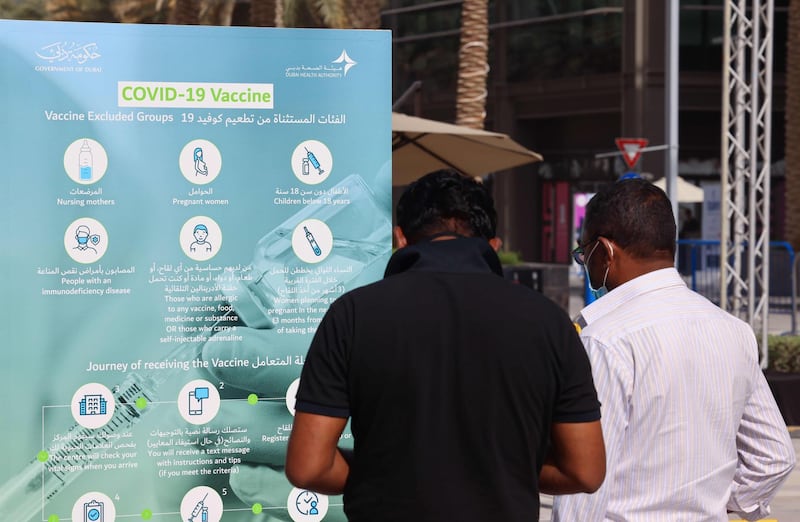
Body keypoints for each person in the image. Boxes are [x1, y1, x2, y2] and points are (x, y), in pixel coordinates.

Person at [285, 169, 606, 521]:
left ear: (401, 238)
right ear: (493, 246)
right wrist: (504, 471)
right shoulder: (549, 322)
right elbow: (585, 471)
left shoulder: (352, 314)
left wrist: (380, 475)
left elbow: (308, 468)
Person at [553, 178, 796, 521]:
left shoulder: (605, 340)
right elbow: (774, 457)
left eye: (584, 253)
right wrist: (721, 507)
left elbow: (586, 485)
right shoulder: (734, 330)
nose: (585, 263)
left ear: (606, 250)